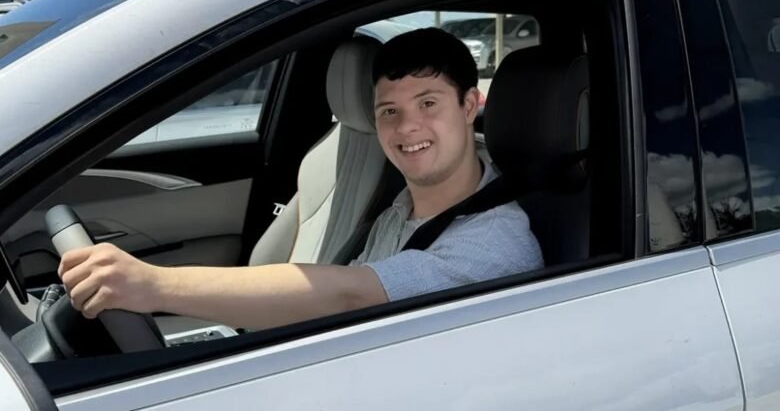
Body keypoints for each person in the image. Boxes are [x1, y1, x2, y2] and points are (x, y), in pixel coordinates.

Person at [58, 28, 543, 331]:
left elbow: (352, 293)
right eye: (389, 111)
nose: (407, 128)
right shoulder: (404, 205)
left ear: (469, 106)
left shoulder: (494, 244)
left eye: (428, 104)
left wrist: (153, 284)